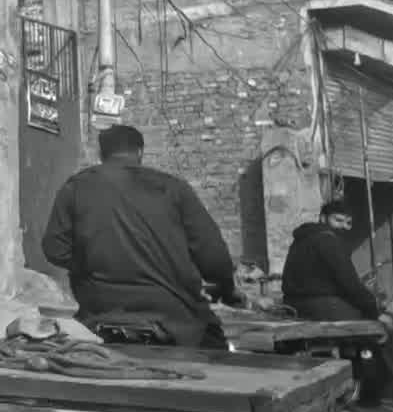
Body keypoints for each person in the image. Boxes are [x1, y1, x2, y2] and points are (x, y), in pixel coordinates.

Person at [42, 124, 243, 349]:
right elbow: (214, 258)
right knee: (218, 357)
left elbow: (54, 249)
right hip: (175, 316)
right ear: (140, 152)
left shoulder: (76, 187)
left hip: (99, 311)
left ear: (101, 154)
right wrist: (226, 290)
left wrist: (90, 264)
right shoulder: (174, 189)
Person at [282, 200, 393, 400]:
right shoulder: (328, 240)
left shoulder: (301, 239)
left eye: (347, 223)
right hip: (324, 306)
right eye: (338, 220)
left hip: (296, 305)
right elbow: (349, 284)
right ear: (323, 218)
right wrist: (376, 312)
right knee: (389, 326)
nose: (343, 227)